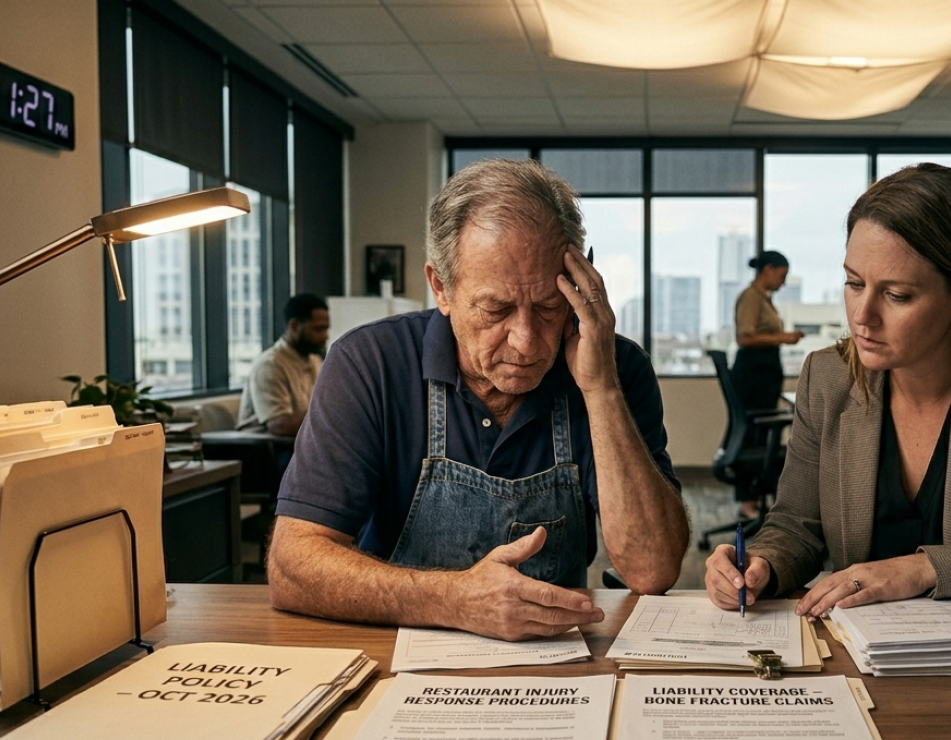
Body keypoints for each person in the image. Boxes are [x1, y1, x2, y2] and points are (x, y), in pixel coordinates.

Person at [267, 158, 689, 641]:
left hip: (556, 665)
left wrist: (602, 389)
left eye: (550, 306)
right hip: (394, 653)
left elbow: (652, 570)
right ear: (441, 288)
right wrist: (455, 600)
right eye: (497, 308)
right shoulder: (369, 364)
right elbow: (292, 565)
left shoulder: (615, 366)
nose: (527, 341)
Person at [705, 163, 951, 616]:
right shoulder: (827, 378)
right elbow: (796, 523)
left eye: (896, 295)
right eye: (854, 284)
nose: (862, 315)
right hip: (860, 658)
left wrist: (926, 569)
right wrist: (763, 564)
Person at [730, 250, 805, 518]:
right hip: (753, 374)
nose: (783, 283)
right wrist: (784, 338)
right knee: (753, 433)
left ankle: (755, 498)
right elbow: (745, 337)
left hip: (763, 374)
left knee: (759, 434)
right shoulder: (751, 298)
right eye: (782, 276)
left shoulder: (764, 299)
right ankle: (748, 501)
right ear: (768, 270)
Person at [236, 293, 330, 436]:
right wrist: (330, 413)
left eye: (326, 329)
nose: (325, 336)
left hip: (301, 442)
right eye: (318, 329)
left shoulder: (314, 361)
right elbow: (280, 426)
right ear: (294, 326)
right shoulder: (270, 365)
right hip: (267, 447)